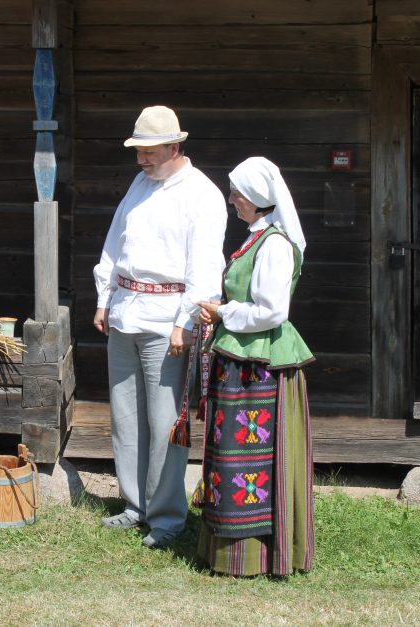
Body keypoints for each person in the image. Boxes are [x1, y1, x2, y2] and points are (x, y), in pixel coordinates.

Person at [93, 106, 228, 548]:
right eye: (138, 152)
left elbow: (206, 264)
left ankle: (168, 518)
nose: (141, 160)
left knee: (165, 421)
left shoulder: (201, 194)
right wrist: (104, 297)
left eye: (149, 152)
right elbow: (116, 240)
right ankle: (135, 506)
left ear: (175, 147)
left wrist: (185, 322)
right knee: (125, 416)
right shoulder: (139, 183)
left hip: (166, 318)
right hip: (126, 311)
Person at [194, 156, 314, 576]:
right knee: (232, 454)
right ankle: (229, 550)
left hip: (262, 367)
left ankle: (262, 553)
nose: (232, 200)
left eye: (236, 194)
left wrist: (224, 312)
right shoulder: (254, 238)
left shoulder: (276, 245)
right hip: (240, 361)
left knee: (255, 458)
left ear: (257, 198)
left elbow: (272, 311)